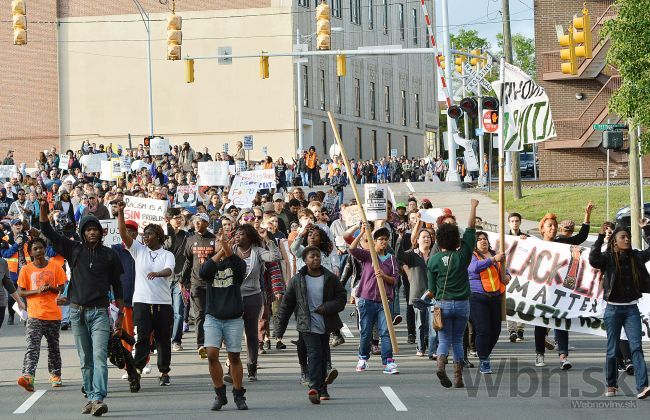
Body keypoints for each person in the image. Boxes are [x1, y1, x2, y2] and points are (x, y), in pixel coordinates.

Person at [39, 197, 124, 417]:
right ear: (82, 232)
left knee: (99, 357)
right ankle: (89, 396)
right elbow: (46, 229)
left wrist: (120, 314)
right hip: (77, 312)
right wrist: (42, 207)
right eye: (88, 229)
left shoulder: (110, 255)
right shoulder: (73, 249)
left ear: (102, 233)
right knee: (85, 359)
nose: (93, 232)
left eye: (96, 229)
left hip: (100, 314)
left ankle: (98, 398)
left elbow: (118, 287)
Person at [277, 245, 347, 404]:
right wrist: (279, 329)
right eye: (311, 256)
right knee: (314, 354)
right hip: (307, 324)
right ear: (305, 260)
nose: (315, 259)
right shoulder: (297, 280)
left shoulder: (330, 277)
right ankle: (314, 388)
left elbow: (342, 298)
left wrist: (326, 307)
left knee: (323, 357)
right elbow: (286, 305)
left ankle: (323, 388)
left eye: (317, 256)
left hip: (326, 323)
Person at [589, 223, 650, 399]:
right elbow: (593, 259)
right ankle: (611, 385)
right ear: (615, 241)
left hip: (631, 309)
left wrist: (647, 230)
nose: (627, 239)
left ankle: (642, 387)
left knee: (636, 347)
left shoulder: (636, 256)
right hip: (613, 309)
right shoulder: (607, 258)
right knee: (612, 348)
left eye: (628, 237)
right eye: (623, 237)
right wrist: (600, 237)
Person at [426, 198, 479, 389]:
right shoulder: (462, 255)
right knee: (457, 339)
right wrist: (472, 206)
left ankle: (441, 364)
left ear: (439, 240)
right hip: (463, 303)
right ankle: (458, 378)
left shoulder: (433, 261)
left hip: (443, 304)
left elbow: (432, 290)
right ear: (456, 238)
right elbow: (471, 230)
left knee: (444, 339)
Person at [534, 201, 592, 369]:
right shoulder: (535, 245)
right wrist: (522, 239)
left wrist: (587, 216)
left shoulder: (562, 242)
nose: (553, 228)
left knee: (561, 322)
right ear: (542, 229)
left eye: (555, 226)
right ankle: (539, 354)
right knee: (541, 322)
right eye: (549, 226)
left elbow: (581, 237)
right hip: (541, 292)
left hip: (560, 291)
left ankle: (563, 356)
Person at [199, 229, 249, 411]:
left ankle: (238, 394)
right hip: (213, 317)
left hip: (233, 318)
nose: (222, 243)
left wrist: (227, 247)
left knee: (234, 356)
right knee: (211, 355)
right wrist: (220, 250)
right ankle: (220, 394)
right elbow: (204, 273)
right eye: (218, 242)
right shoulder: (210, 265)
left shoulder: (237, 265)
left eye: (225, 241)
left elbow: (238, 266)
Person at [231, 224, 282, 381]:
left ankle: (251, 366)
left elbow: (275, 257)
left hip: (253, 296)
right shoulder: (231, 250)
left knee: (251, 332)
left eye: (241, 234)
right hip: (233, 297)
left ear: (249, 237)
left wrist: (268, 239)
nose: (238, 236)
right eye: (236, 234)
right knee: (232, 332)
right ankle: (232, 365)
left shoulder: (257, 251)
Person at [16, 237, 67, 392]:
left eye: (40, 248)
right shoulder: (26, 269)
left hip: (53, 314)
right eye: (35, 249)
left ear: (45, 249)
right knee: (32, 347)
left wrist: (50, 289)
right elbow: (21, 291)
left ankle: (56, 375)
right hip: (34, 314)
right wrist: (37, 291)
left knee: (53, 347)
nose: (38, 251)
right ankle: (28, 377)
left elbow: (62, 287)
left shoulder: (56, 267)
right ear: (30, 253)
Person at [349, 225, 399, 374]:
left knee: (385, 331)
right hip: (367, 299)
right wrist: (362, 233)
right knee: (366, 332)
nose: (383, 242)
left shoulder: (391, 259)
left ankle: (388, 362)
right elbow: (352, 249)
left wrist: (384, 276)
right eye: (380, 239)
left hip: (384, 301)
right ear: (375, 241)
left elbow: (395, 280)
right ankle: (363, 358)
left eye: (386, 239)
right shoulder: (368, 255)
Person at [468, 231, 509, 374]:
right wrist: (493, 260)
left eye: (485, 239)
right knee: (483, 330)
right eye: (479, 239)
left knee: (495, 331)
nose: (483, 241)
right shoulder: (472, 255)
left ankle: (483, 353)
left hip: (495, 297)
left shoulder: (495, 254)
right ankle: (484, 360)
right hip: (477, 297)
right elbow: (473, 268)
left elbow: (505, 270)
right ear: (475, 243)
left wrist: (507, 276)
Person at [181, 213, 216, 359]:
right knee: (199, 315)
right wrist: (183, 279)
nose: (197, 224)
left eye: (200, 221)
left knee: (213, 314)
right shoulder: (190, 240)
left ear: (207, 224)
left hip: (213, 283)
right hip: (196, 283)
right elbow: (188, 261)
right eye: (195, 221)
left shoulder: (213, 240)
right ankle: (200, 344)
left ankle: (213, 342)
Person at [506, 212, 527, 342]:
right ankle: (512, 330)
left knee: (523, 301)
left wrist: (526, 242)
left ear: (520, 222)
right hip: (509, 273)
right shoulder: (504, 237)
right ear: (509, 222)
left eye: (517, 221)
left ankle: (520, 328)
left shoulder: (526, 238)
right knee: (510, 302)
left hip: (524, 274)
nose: (515, 223)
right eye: (512, 221)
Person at [1, 258, 26, 329]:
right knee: (10, 300)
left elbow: (7, 283)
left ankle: (25, 318)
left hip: (25, 276)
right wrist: (15, 246)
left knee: (25, 299)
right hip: (13, 276)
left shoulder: (26, 247)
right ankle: (11, 315)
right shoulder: (8, 246)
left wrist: (19, 301)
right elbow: (6, 254)